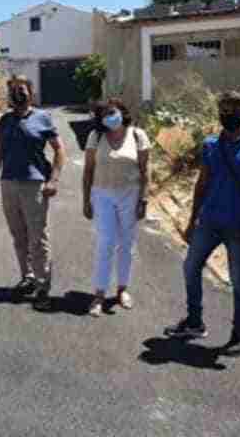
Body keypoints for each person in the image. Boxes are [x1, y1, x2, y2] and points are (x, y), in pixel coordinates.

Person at [165, 91, 240, 356]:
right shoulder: (211, 145)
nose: (227, 114)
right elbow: (202, 184)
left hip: (239, 226)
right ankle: (194, 321)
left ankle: (239, 335)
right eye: (223, 109)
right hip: (209, 222)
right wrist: (192, 220)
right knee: (190, 267)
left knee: (238, 281)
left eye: (233, 109)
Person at [0, 75, 67, 311]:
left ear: (30, 93)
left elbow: (60, 150)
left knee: (37, 237)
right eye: (13, 90)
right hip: (9, 183)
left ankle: (43, 286)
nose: (17, 94)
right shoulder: (4, 121)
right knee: (19, 236)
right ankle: (28, 276)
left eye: (21, 90)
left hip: (34, 185)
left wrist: (53, 179)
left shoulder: (43, 118)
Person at [82, 98, 150, 317]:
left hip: (129, 195)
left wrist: (144, 200)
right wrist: (86, 200)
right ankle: (99, 294)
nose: (110, 117)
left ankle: (122, 289)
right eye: (104, 115)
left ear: (122, 111)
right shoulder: (96, 136)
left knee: (127, 243)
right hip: (102, 194)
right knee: (106, 242)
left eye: (112, 112)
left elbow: (145, 170)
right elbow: (88, 170)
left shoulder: (138, 135)